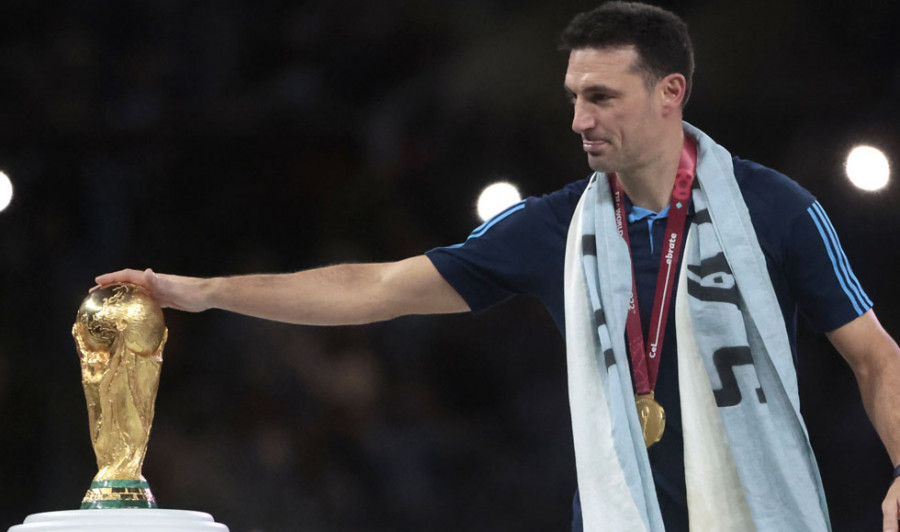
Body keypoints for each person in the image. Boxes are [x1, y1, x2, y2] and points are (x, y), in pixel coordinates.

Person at [95, 2, 900, 531]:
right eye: (572, 97)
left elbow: (875, 359)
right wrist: (199, 291)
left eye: (602, 97)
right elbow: (376, 288)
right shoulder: (558, 226)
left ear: (670, 92)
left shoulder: (775, 209)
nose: (579, 119)